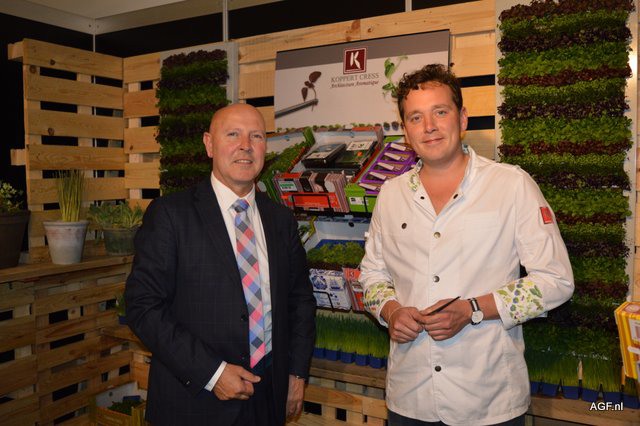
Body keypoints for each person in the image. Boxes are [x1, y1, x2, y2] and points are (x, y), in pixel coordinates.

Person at [359, 64, 574, 426]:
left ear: (462, 119)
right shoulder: (391, 195)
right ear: (406, 133)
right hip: (410, 398)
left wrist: (474, 308)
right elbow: (371, 275)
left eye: (440, 112)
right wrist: (391, 310)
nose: (429, 126)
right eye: (416, 117)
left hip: (488, 398)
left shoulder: (511, 185)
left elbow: (556, 281)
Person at [125, 103, 316, 425]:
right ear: (209, 144)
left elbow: (300, 301)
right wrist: (212, 373)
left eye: (256, 136)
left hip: (268, 397)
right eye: (233, 134)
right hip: (194, 403)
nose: (245, 145)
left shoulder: (280, 220)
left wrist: (296, 374)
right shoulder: (171, 215)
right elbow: (142, 306)